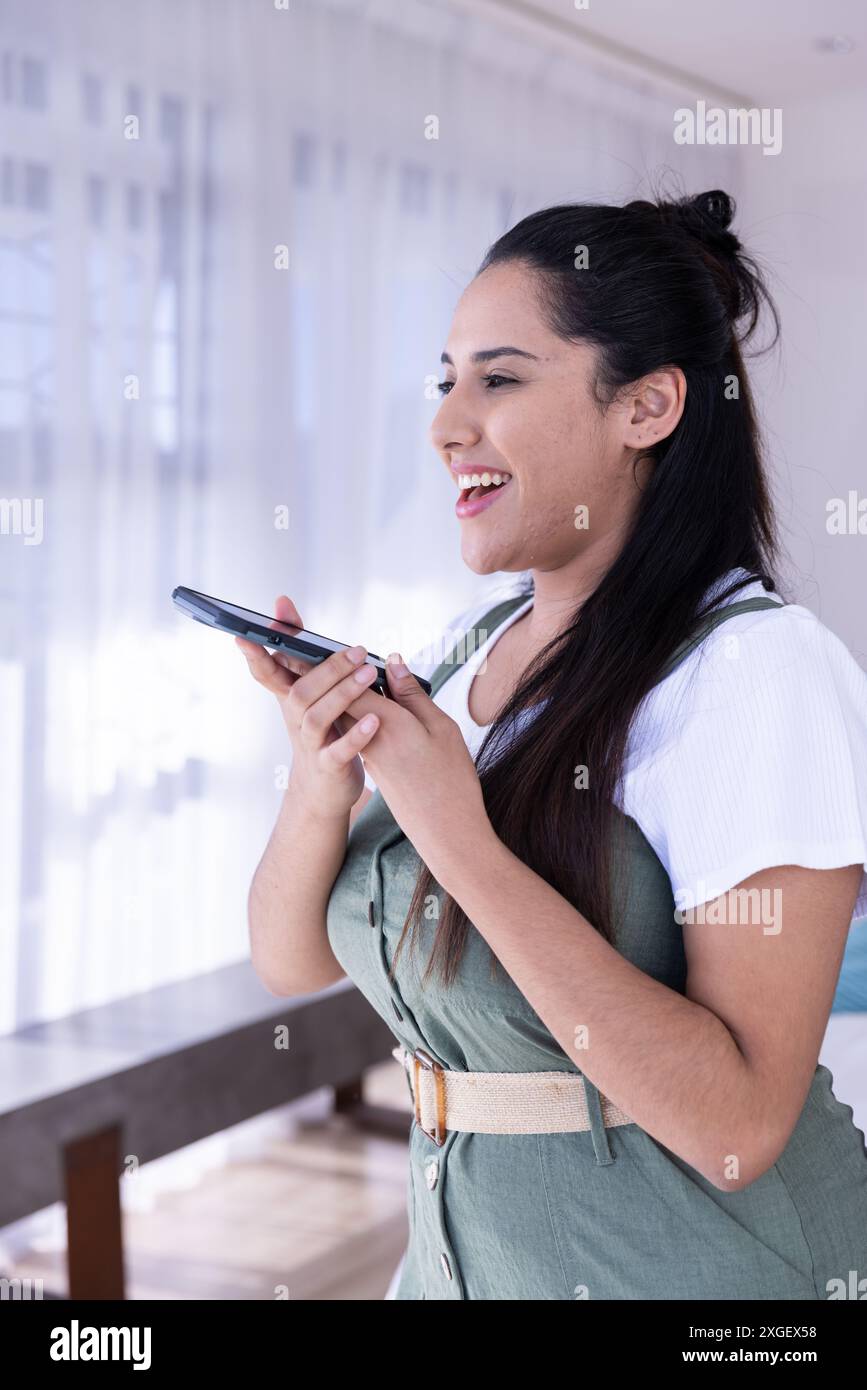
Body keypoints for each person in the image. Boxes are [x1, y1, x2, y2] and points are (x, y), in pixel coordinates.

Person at [240, 190, 867, 1300]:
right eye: (446, 381)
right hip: (461, 1259)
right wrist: (318, 773)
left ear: (649, 407)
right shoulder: (461, 653)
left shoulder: (756, 675)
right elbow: (294, 962)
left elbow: (737, 1126)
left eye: (500, 377)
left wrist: (455, 830)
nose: (444, 425)